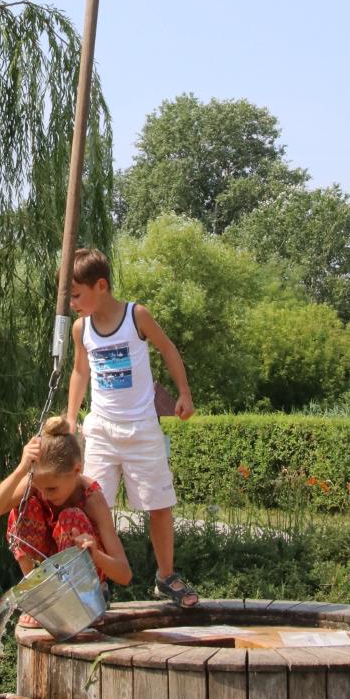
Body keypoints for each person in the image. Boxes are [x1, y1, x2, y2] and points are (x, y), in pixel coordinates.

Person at [65, 247, 199, 608]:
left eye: (76, 295)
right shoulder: (81, 329)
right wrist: (71, 417)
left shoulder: (135, 316)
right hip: (101, 431)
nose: (72, 304)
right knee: (94, 506)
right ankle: (98, 581)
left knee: (159, 504)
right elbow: (80, 371)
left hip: (142, 430)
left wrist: (184, 394)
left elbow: (168, 349)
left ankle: (166, 577)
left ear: (101, 286)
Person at [0, 416, 132, 602]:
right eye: (40, 488)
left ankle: (74, 600)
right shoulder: (39, 483)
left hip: (86, 579)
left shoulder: (92, 499)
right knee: (24, 508)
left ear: (77, 470)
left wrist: (96, 555)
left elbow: (124, 574)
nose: (45, 495)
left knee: (70, 517)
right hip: (48, 570)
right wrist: (21, 470)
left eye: (52, 489)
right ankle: (37, 595)